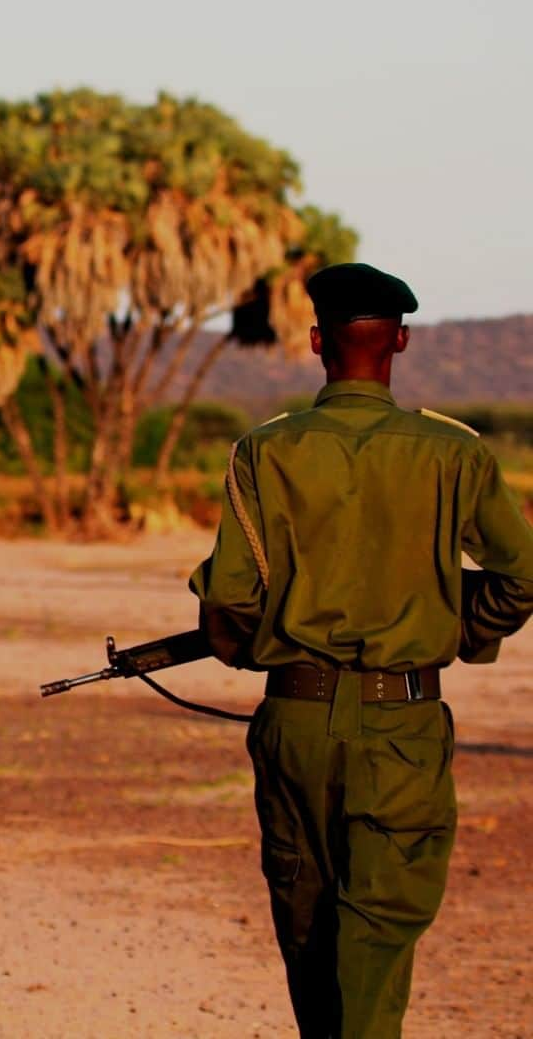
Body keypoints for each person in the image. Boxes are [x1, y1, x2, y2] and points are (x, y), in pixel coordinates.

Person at [189, 262, 533, 1038]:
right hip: (403, 725)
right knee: (376, 935)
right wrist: (456, 626)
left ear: (317, 341)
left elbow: (230, 607)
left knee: (306, 926)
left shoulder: (264, 451)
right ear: (400, 342)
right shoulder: (455, 453)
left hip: (297, 721)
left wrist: (266, 645)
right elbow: (523, 575)